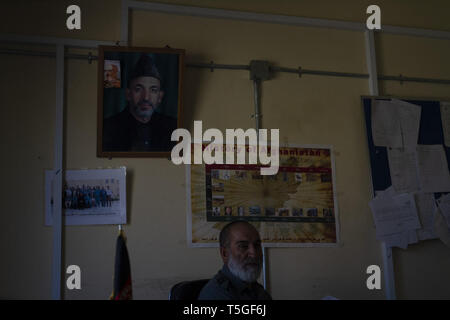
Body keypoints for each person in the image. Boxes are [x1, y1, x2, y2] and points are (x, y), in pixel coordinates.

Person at [103, 54, 177, 152]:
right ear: (128, 94)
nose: (146, 97)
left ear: (160, 96)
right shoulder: (109, 127)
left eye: (153, 90)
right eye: (138, 89)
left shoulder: (172, 127)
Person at [198, 221, 272, 300]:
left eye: (257, 245)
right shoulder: (217, 294)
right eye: (243, 246)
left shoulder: (253, 287)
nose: (254, 253)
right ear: (225, 254)